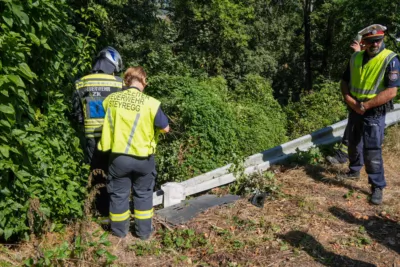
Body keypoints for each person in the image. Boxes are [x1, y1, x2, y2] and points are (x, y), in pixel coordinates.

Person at [98, 66, 170, 240]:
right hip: (143, 159)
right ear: (143, 81)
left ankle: (119, 234)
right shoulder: (151, 103)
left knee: (118, 195)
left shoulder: (111, 100)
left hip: (119, 158)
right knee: (143, 195)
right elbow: (165, 128)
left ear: (126, 81)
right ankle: (144, 234)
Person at [337, 24, 400, 205]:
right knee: (353, 142)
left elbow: (391, 92)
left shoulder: (390, 59)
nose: (375, 45)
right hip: (355, 107)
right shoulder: (355, 58)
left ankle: (377, 186)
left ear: (383, 40)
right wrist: (350, 100)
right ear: (363, 42)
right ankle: (354, 170)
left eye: (378, 41)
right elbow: (344, 81)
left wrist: (365, 105)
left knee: (372, 150)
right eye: (371, 41)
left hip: (374, 111)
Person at [72, 46, 124, 171]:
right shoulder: (119, 83)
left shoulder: (80, 83)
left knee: (96, 173)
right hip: (114, 136)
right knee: (113, 174)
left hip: (91, 137)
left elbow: (76, 113)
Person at [326, 36, 364, 165]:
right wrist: (348, 97)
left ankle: (346, 158)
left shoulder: (372, 59)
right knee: (352, 130)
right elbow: (346, 79)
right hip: (355, 102)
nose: (353, 46)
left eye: (357, 43)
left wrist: (358, 53)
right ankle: (346, 158)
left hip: (369, 104)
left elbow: (363, 72)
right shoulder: (356, 58)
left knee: (358, 133)